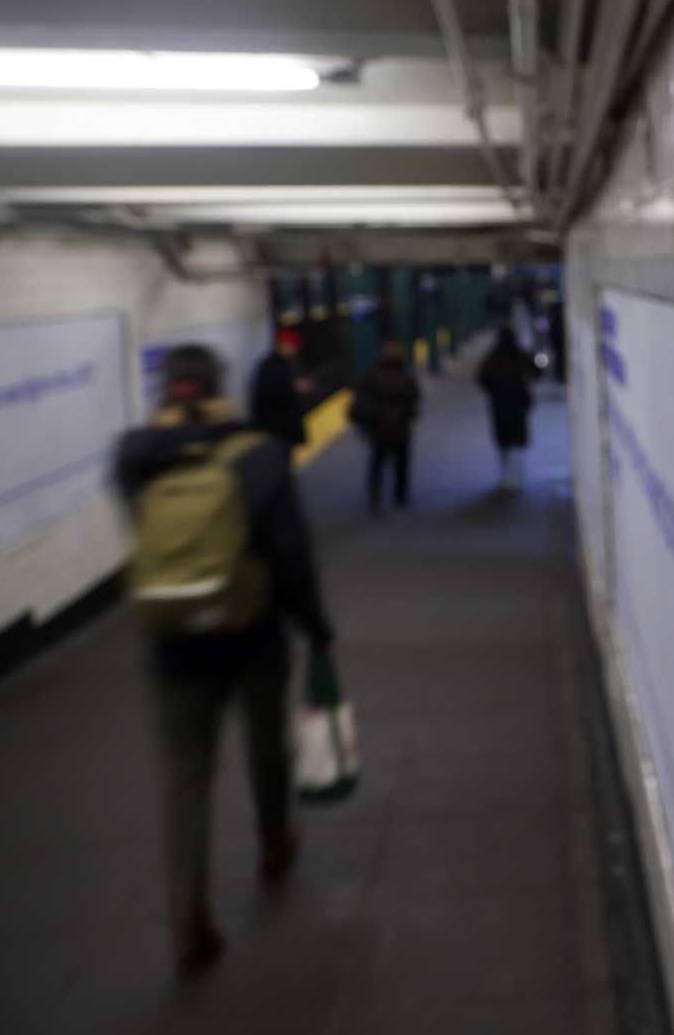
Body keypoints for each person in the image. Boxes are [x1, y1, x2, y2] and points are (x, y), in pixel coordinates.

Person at [114, 344, 335, 975]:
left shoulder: (134, 457)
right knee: (264, 743)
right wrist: (316, 630)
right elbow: (290, 555)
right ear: (218, 385)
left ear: (165, 388)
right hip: (251, 630)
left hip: (172, 640)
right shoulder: (258, 454)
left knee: (185, 774)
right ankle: (273, 842)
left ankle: (188, 911)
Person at [351, 341, 419, 515]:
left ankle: (375, 496)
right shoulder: (406, 375)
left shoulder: (373, 375)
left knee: (377, 462)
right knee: (401, 462)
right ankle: (400, 495)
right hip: (400, 424)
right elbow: (415, 396)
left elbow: (357, 389)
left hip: (379, 423)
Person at [476, 327, 536, 491]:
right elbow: (536, 371)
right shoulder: (519, 356)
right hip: (518, 404)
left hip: (499, 404)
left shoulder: (493, 358)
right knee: (516, 440)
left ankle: (506, 476)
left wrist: (495, 391)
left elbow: (482, 379)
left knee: (503, 439)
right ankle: (515, 477)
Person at [248, 328, 311, 450]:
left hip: (284, 424)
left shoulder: (289, 363)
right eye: (291, 346)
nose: (293, 350)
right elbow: (270, 392)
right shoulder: (270, 366)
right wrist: (294, 388)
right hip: (275, 426)